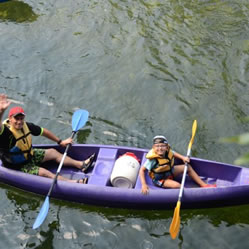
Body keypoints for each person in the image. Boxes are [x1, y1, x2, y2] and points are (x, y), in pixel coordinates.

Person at [0, 94, 95, 184]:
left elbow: (43, 131)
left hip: (30, 156)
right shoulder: (7, 134)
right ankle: (72, 183)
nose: (19, 122)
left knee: (53, 152)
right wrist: (1, 111)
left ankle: (81, 165)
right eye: (16, 119)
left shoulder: (26, 126)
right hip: (18, 166)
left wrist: (60, 141)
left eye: (21, 118)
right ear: (10, 119)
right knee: (44, 173)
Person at [139, 135, 216, 194]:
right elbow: (142, 171)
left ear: (166, 147)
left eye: (162, 146)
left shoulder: (168, 151)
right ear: (153, 147)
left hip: (170, 172)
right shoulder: (152, 160)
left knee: (187, 167)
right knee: (177, 186)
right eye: (157, 146)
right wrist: (144, 184)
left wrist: (183, 158)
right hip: (161, 179)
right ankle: (191, 194)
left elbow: (173, 153)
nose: (160, 148)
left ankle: (204, 185)